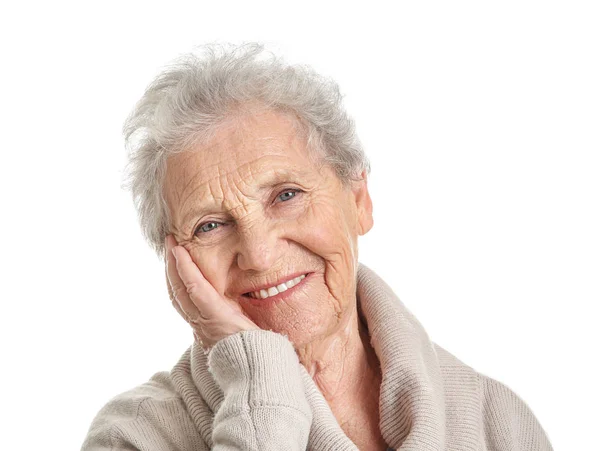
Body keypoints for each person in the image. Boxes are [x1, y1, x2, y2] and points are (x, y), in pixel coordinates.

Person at [81, 43, 553, 451]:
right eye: (210, 225)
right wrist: (263, 394)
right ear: (176, 265)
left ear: (358, 199)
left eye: (286, 196)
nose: (260, 255)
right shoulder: (136, 436)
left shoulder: (498, 424)